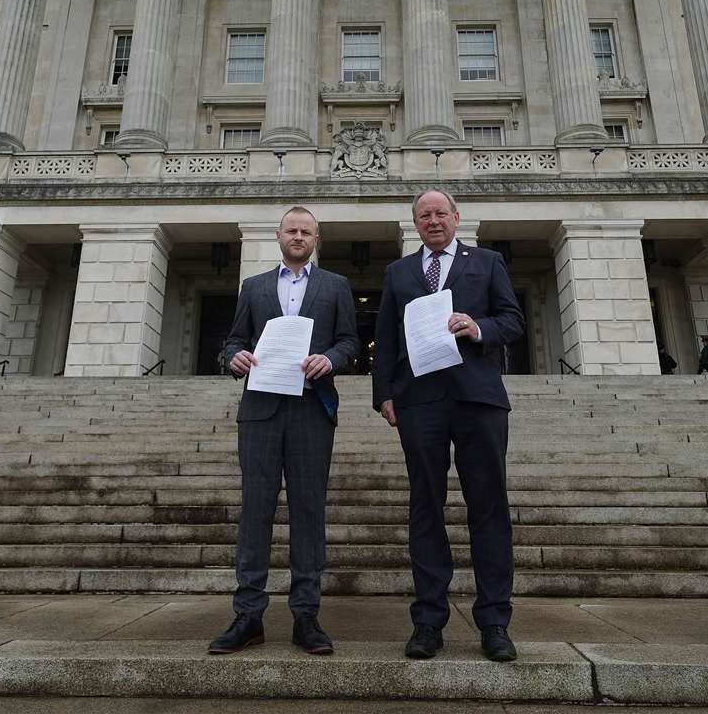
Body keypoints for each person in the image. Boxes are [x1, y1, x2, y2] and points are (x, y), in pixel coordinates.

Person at [372, 189, 525, 662]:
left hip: (477, 396)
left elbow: (512, 320)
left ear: (456, 218)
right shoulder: (398, 272)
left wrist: (477, 327)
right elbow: (385, 336)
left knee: (488, 508)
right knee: (425, 507)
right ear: (414, 224)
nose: (433, 221)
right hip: (420, 401)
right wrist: (384, 394)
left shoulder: (487, 261)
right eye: (424, 215)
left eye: (441, 213)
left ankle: (495, 621)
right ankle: (428, 621)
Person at [210, 206, 359, 656]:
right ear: (278, 236)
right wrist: (232, 359)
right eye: (291, 230)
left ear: (317, 237)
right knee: (255, 509)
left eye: (306, 231)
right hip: (260, 410)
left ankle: (306, 615)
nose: (298, 236)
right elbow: (234, 341)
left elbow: (350, 341)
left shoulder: (335, 286)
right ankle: (248, 615)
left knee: (309, 511)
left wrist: (330, 359)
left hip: (312, 409)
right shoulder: (253, 287)